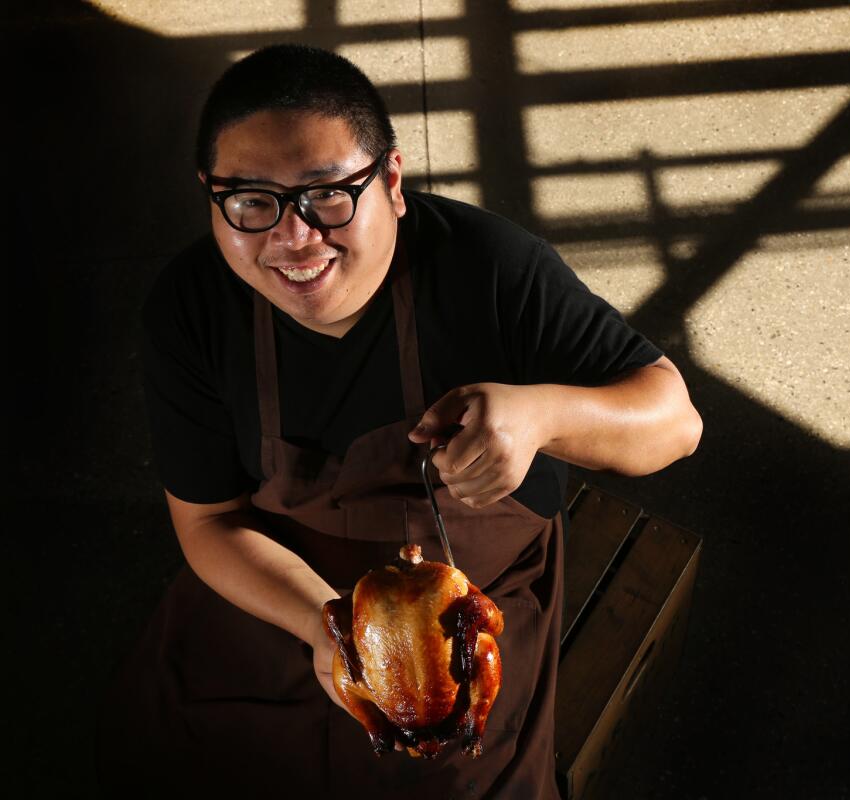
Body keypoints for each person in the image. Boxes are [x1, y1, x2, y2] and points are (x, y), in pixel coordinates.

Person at [95, 44, 701, 799]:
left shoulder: (489, 267)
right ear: (211, 196)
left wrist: (540, 414)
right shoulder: (190, 306)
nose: (294, 238)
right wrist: (330, 631)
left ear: (391, 180)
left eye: (328, 194)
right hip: (281, 592)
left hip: (462, 613)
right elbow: (208, 523)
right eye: (252, 201)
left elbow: (675, 420)